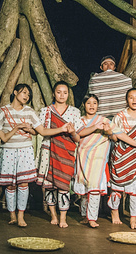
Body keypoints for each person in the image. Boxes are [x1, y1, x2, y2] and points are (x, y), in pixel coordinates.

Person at [35, 81, 82, 228]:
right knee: (49, 185)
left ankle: (63, 217)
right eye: (59, 92)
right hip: (48, 150)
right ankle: (53, 215)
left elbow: (78, 138)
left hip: (66, 152)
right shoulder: (46, 111)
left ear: (68, 94)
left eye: (65, 92)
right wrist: (61, 129)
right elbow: (42, 131)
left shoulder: (75, 112)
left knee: (63, 186)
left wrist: (72, 132)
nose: (62, 95)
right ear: (54, 93)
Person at [0, 83, 41, 227]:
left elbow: (38, 130)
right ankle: (12, 214)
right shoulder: (3, 111)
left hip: (25, 150)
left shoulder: (30, 112)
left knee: (23, 183)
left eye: (28, 94)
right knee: (10, 185)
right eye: (23, 92)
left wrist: (29, 130)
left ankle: (21, 215)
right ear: (15, 92)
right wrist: (14, 129)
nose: (26, 96)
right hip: (8, 150)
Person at [107, 88, 136, 229]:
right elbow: (113, 137)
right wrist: (111, 133)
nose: (134, 100)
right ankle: (114, 212)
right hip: (121, 156)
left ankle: (133, 219)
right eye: (131, 97)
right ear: (126, 100)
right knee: (117, 188)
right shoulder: (120, 116)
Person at [73, 94, 112, 228]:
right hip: (83, 156)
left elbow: (115, 137)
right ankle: (84, 215)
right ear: (84, 105)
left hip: (98, 159)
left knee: (94, 188)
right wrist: (95, 127)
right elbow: (78, 135)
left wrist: (109, 131)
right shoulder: (79, 120)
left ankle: (92, 218)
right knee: (84, 189)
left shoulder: (104, 120)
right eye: (88, 103)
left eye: (94, 103)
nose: (91, 106)